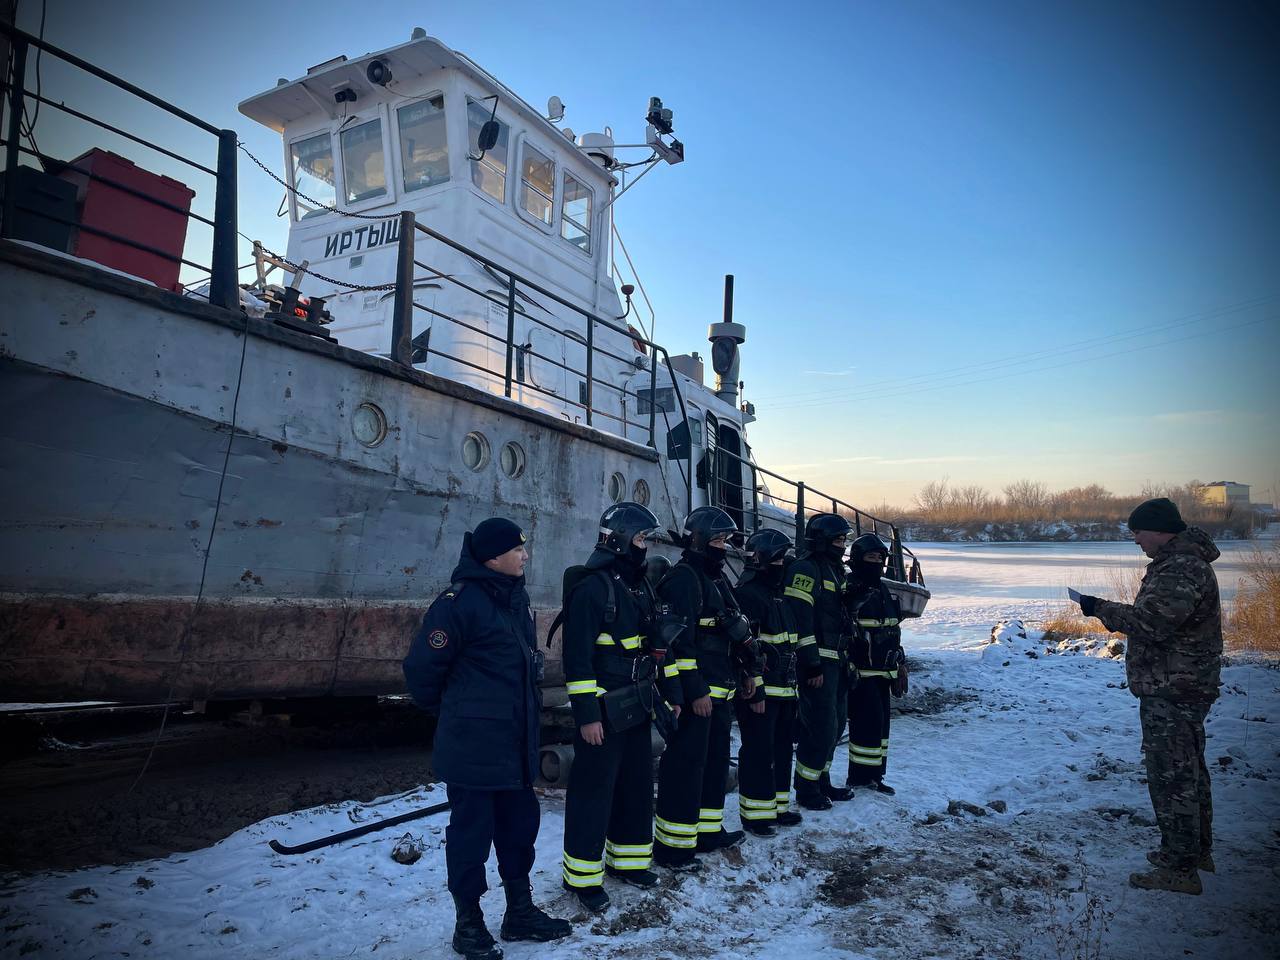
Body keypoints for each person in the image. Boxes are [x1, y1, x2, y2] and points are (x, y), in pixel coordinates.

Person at [403, 518, 571, 960]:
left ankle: (519, 911)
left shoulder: (514, 599)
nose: (526, 555)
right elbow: (421, 673)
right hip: (474, 749)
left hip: (514, 748)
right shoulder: (458, 604)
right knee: (470, 839)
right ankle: (469, 925)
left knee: (519, 832)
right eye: (518, 550)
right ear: (493, 557)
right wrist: (459, 714)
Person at [1075, 497, 1222, 896]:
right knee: (1189, 770)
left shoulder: (1181, 568)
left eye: (1137, 532)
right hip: (1179, 684)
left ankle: (1180, 868)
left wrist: (1098, 607)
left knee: (1172, 776)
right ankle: (1194, 852)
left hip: (1174, 686)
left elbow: (1152, 624)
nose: (1136, 540)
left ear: (1159, 530)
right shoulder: (1182, 563)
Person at [559, 502, 684, 912]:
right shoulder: (592, 587)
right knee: (593, 793)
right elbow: (576, 660)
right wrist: (587, 717)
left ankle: (628, 862)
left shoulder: (637, 585)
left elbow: (647, 646)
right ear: (620, 539)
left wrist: (664, 689)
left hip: (638, 703)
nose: (645, 546)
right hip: (604, 710)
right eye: (641, 538)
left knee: (634, 785)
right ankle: (582, 878)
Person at [653, 506, 756, 868]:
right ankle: (673, 846)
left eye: (726, 540)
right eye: (716, 540)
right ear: (696, 540)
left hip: (722, 690)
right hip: (700, 695)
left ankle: (707, 831)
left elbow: (729, 632)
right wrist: (694, 691)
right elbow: (680, 645)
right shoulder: (684, 580)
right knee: (685, 766)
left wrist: (744, 672)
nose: (723, 547)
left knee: (713, 766)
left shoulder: (716, 577)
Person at [733, 528, 804, 836]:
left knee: (781, 749)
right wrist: (755, 686)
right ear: (760, 560)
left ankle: (777, 806)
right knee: (759, 752)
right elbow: (746, 648)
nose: (783, 564)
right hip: (761, 692)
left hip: (785, 689)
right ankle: (756, 815)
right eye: (778, 559)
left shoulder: (778, 594)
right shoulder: (748, 594)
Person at [785, 513, 855, 810]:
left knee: (836, 723)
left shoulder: (835, 571)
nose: (842, 546)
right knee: (820, 726)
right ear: (822, 540)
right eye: (838, 540)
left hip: (837, 659)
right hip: (818, 663)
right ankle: (806, 788)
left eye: (844, 540)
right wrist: (810, 663)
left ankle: (821, 779)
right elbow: (801, 620)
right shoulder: (806, 569)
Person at [843, 533, 904, 794]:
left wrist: (901, 663)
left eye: (880, 558)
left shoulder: (882, 589)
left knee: (880, 727)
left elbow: (893, 630)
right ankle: (858, 777)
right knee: (865, 726)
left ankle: (876, 775)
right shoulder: (849, 589)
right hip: (862, 672)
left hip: (885, 671)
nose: (877, 562)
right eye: (871, 557)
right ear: (857, 559)